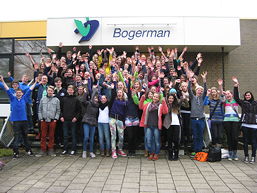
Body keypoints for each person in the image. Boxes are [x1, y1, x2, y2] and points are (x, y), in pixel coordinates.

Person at [0, 75, 38, 158]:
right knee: (17, 136)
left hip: (24, 121)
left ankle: (28, 151)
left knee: (25, 136)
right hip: (16, 121)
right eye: (17, 93)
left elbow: (30, 89)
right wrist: (3, 81)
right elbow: (6, 89)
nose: (18, 94)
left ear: (22, 93)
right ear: (15, 94)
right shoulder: (13, 98)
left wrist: (35, 82)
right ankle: (15, 152)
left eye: (20, 93)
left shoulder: (24, 98)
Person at [233, 77, 257, 163]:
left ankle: (253, 156)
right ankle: (246, 156)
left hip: (254, 125)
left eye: (249, 95)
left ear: (251, 96)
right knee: (245, 141)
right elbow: (236, 98)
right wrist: (236, 86)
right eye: (246, 95)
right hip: (245, 124)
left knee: (254, 141)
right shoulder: (243, 103)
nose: (247, 96)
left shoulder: (255, 103)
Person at [140, 92, 168, 161]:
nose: (155, 98)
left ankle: (156, 153)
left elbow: (166, 111)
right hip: (148, 125)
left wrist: (164, 102)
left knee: (157, 141)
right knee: (149, 140)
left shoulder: (160, 106)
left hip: (156, 126)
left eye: (156, 97)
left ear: (159, 98)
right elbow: (140, 107)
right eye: (154, 96)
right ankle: (151, 152)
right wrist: (142, 98)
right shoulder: (148, 105)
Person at [187, 70, 207, 156]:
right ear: (196, 91)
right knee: (195, 135)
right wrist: (190, 79)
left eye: (201, 90)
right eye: (198, 90)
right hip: (193, 119)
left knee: (200, 135)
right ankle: (195, 150)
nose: (200, 91)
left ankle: (199, 150)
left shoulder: (202, 98)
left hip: (201, 119)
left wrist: (204, 80)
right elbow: (188, 89)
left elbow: (205, 90)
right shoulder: (193, 98)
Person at [37, 86, 60, 157]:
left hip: (52, 120)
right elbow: (39, 110)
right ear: (47, 91)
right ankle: (43, 149)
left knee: (51, 136)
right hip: (44, 120)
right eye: (49, 90)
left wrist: (56, 119)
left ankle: (50, 149)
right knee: (43, 136)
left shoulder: (56, 100)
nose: (50, 92)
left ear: (53, 92)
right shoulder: (42, 99)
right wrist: (41, 118)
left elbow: (58, 110)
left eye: (51, 91)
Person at [60, 85, 81, 155]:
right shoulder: (64, 99)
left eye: (71, 90)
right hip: (65, 120)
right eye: (68, 90)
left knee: (73, 135)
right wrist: (61, 116)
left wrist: (76, 117)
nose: (70, 91)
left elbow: (79, 110)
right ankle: (65, 149)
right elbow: (60, 109)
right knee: (65, 135)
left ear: (73, 91)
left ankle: (73, 149)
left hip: (73, 120)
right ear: (67, 91)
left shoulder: (76, 99)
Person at [204, 82, 224, 147]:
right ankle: (215, 148)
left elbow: (222, 95)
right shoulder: (210, 100)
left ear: (216, 92)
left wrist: (220, 86)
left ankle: (219, 148)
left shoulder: (220, 100)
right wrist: (207, 94)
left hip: (220, 120)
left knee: (220, 135)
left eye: (214, 92)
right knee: (214, 135)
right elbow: (204, 103)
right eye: (212, 92)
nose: (213, 93)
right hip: (213, 120)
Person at [109, 88, 127, 159]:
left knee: (121, 136)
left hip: (120, 120)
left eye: (120, 92)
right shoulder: (114, 99)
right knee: (113, 136)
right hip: (112, 119)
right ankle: (113, 151)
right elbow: (113, 92)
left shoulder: (125, 102)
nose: (119, 93)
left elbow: (125, 112)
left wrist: (124, 122)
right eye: (118, 92)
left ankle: (120, 149)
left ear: (123, 93)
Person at [223, 87, 240, 161]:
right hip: (227, 120)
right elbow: (221, 94)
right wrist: (220, 86)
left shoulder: (236, 100)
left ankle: (235, 153)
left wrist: (236, 85)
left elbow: (237, 94)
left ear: (232, 94)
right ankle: (230, 153)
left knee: (235, 137)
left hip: (235, 121)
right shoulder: (225, 101)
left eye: (229, 93)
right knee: (229, 137)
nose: (227, 95)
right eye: (226, 94)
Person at [163, 94, 182, 161]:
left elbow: (181, 100)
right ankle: (170, 155)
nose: (170, 99)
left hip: (176, 124)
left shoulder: (176, 105)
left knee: (176, 140)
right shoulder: (166, 105)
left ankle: (176, 154)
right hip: (169, 124)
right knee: (169, 140)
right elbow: (166, 111)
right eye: (169, 98)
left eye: (172, 98)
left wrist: (176, 96)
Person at [81, 93, 99, 158]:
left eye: (97, 98)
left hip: (93, 122)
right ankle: (84, 151)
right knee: (86, 137)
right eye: (94, 98)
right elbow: (83, 101)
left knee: (92, 138)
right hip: (86, 121)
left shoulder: (98, 106)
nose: (95, 99)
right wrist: (85, 93)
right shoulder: (89, 103)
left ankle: (91, 152)